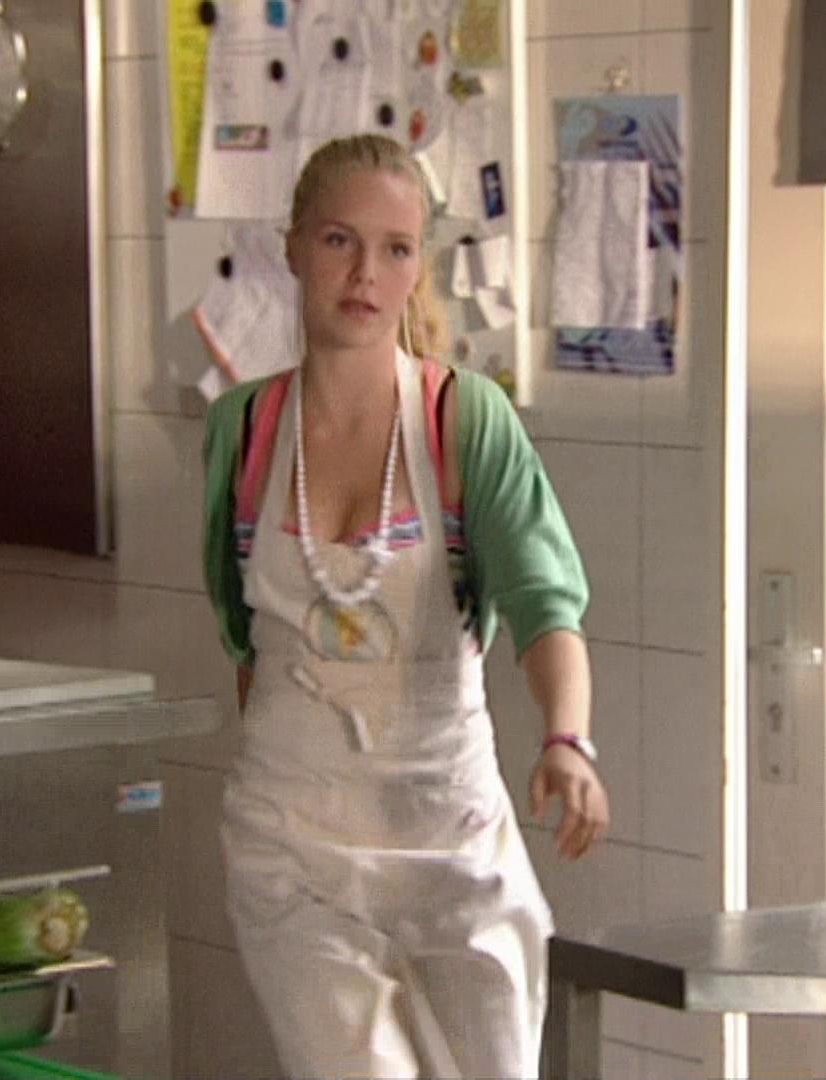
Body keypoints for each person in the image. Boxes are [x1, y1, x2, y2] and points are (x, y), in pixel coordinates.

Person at [200, 133, 610, 1078]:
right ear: (293, 246)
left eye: (395, 249)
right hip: (292, 844)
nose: (365, 275)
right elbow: (244, 635)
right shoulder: (243, 430)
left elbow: (545, 602)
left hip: (447, 833)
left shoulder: (462, 418)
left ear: (418, 265)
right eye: (339, 241)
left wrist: (567, 740)